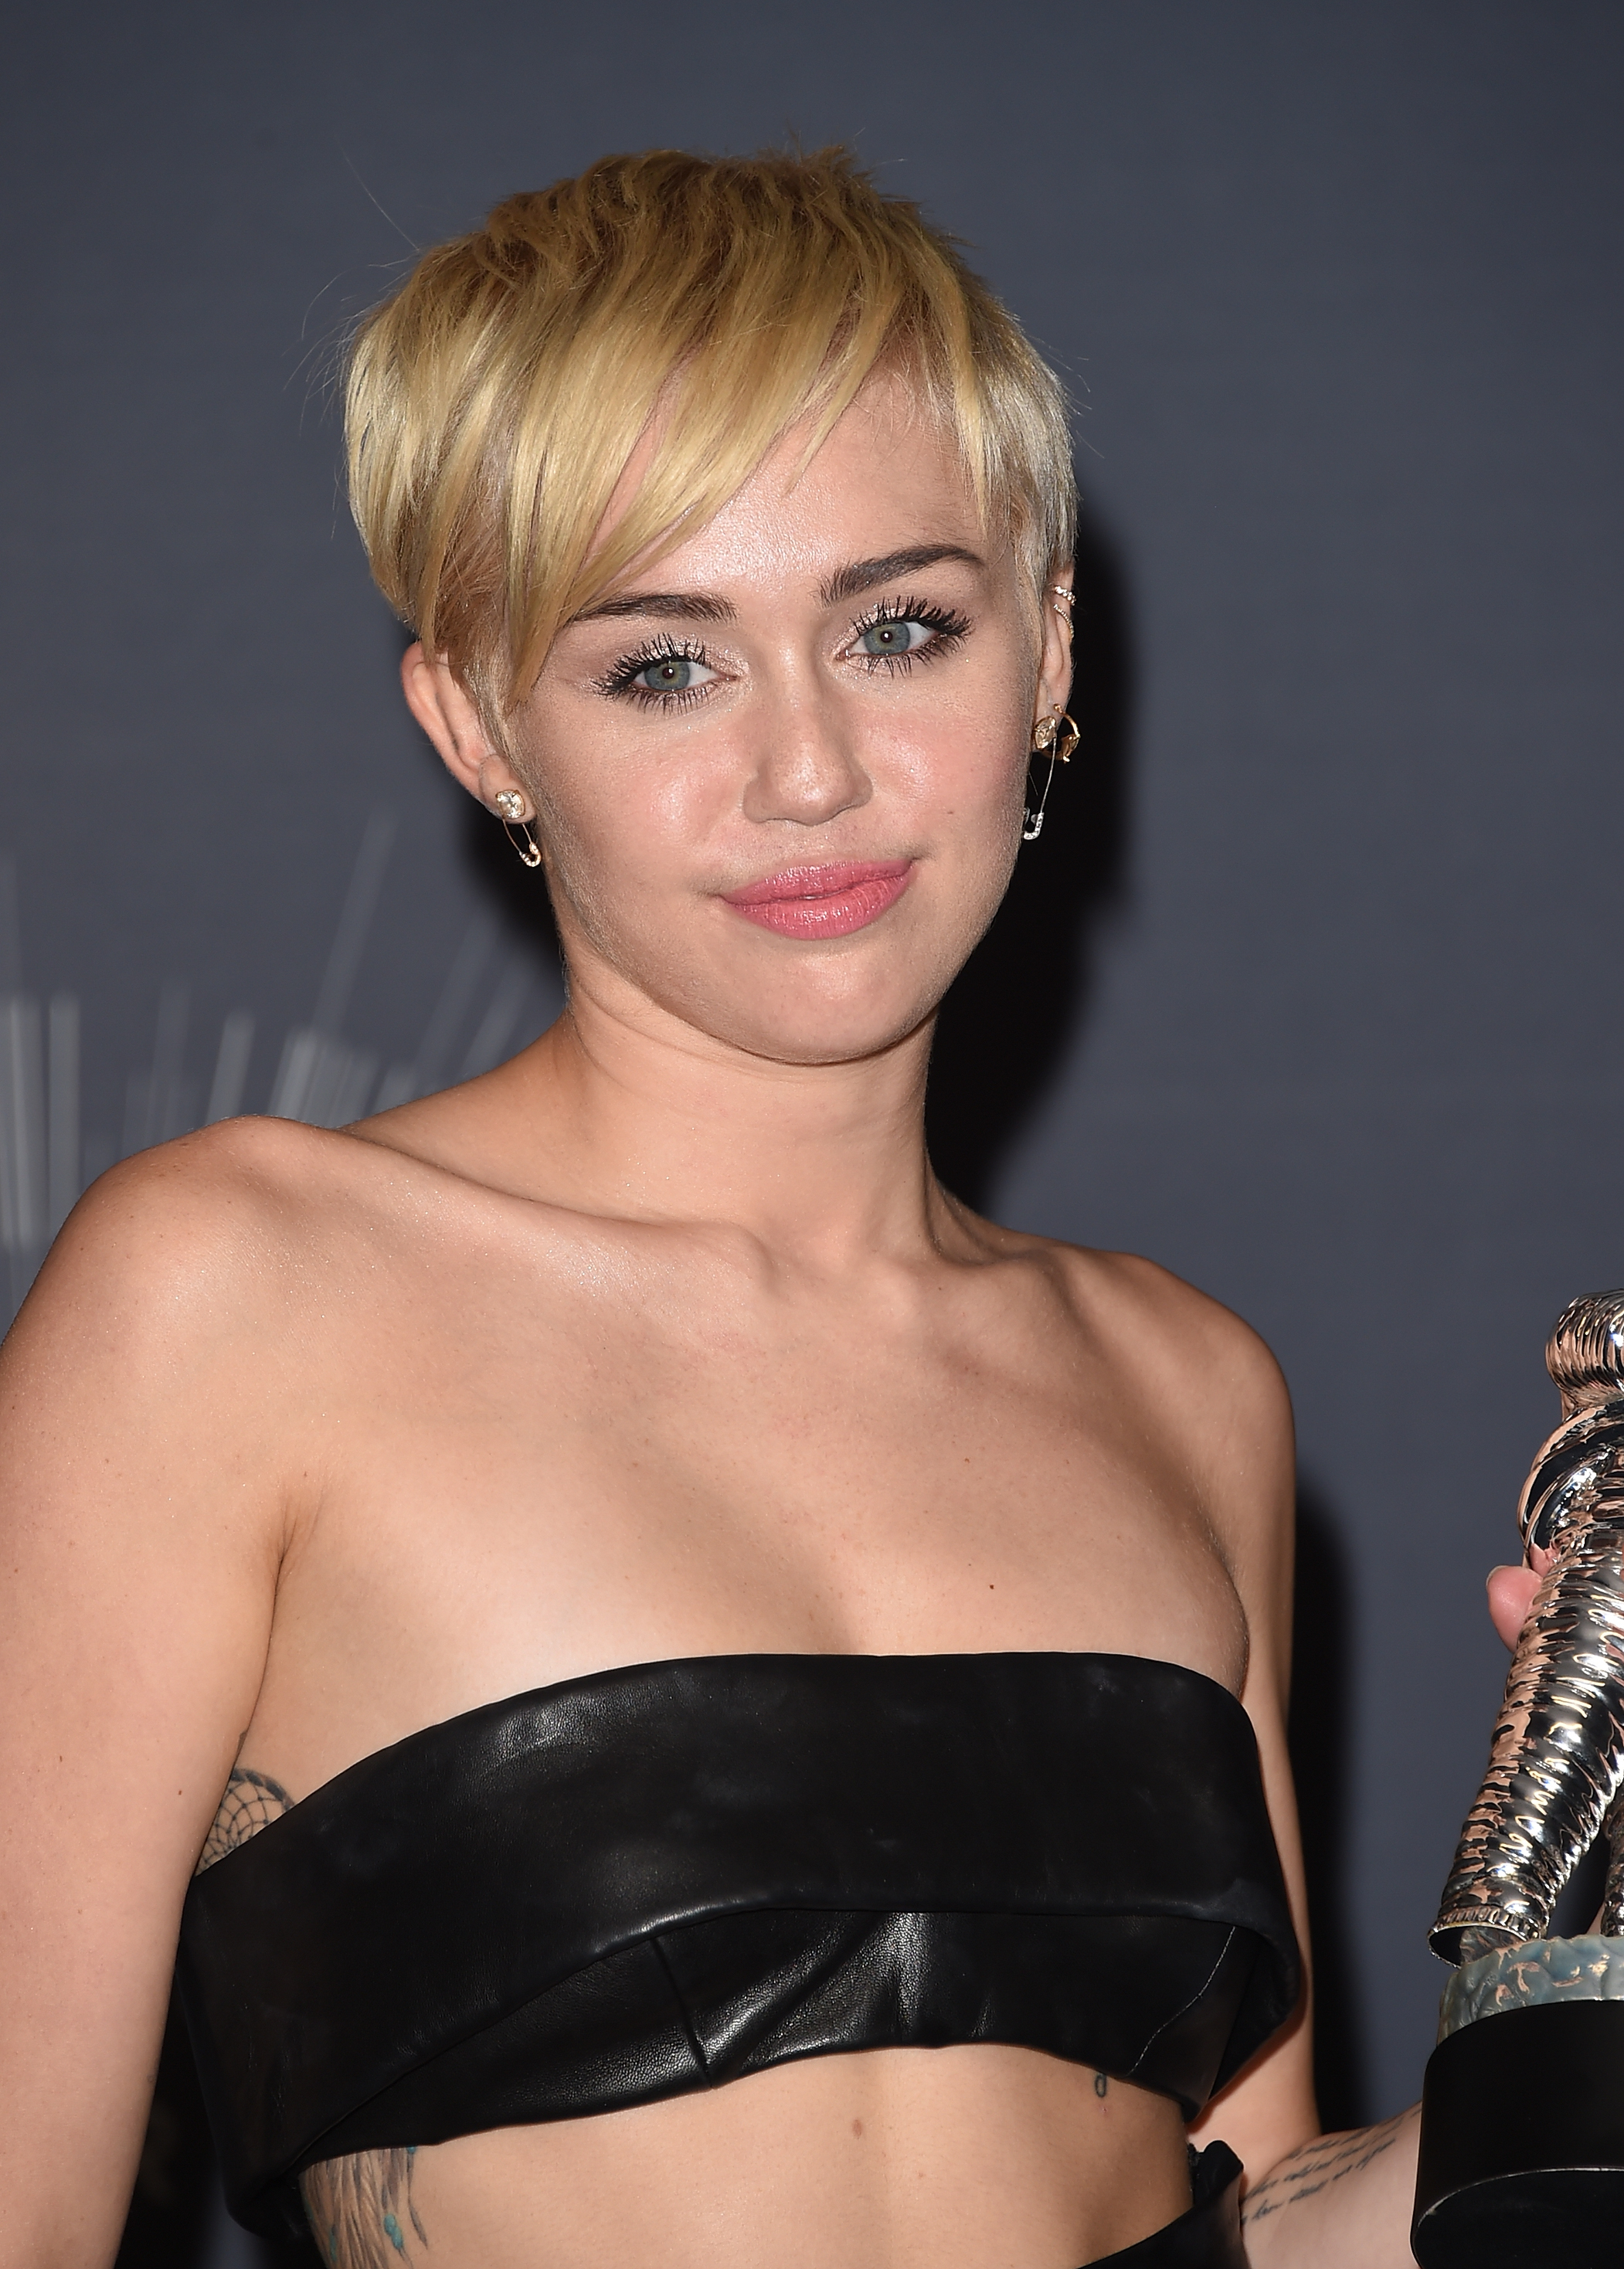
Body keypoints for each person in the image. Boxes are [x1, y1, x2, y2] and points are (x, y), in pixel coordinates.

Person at [0, 146, 1493, 2269]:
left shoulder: (1183, 1384)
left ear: (1050, 655)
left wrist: (1577, 2003)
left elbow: (1256, 2212)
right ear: (479, 723)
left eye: (900, 628)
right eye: (663, 667)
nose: (811, 770)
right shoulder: (229, 1302)